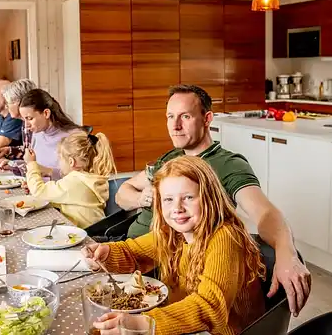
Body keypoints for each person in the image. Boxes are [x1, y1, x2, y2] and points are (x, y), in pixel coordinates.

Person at [115, 85, 311, 316]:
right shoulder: (171, 158)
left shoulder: (228, 165)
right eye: (170, 116)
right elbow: (122, 193)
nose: (175, 126)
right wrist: (141, 197)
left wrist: (286, 251)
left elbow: (265, 213)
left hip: (162, 268)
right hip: (132, 250)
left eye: (185, 117)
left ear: (207, 119)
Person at [83, 156, 266, 335]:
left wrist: (143, 324)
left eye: (188, 197)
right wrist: (106, 253)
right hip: (185, 326)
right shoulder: (173, 233)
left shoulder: (224, 237)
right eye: (168, 199)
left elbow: (209, 306)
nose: (177, 208)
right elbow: (133, 252)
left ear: (210, 198)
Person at [24, 131, 115, 228]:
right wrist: (32, 184)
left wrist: (31, 163)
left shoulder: (74, 181)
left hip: (87, 235)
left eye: (60, 159)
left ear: (71, 162)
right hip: (97, 230)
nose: (59, 163)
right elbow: (65, 198)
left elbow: (40, 192)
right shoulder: (90, 179)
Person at [0, 88, 81, 179]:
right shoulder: (38, 134)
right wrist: (12, 165)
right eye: (24, 119)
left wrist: (48, 172)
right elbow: (37, 167)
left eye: (29, 118)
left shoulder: (73, 137)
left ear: (46, 113)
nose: (26, 125)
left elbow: (78, 177)